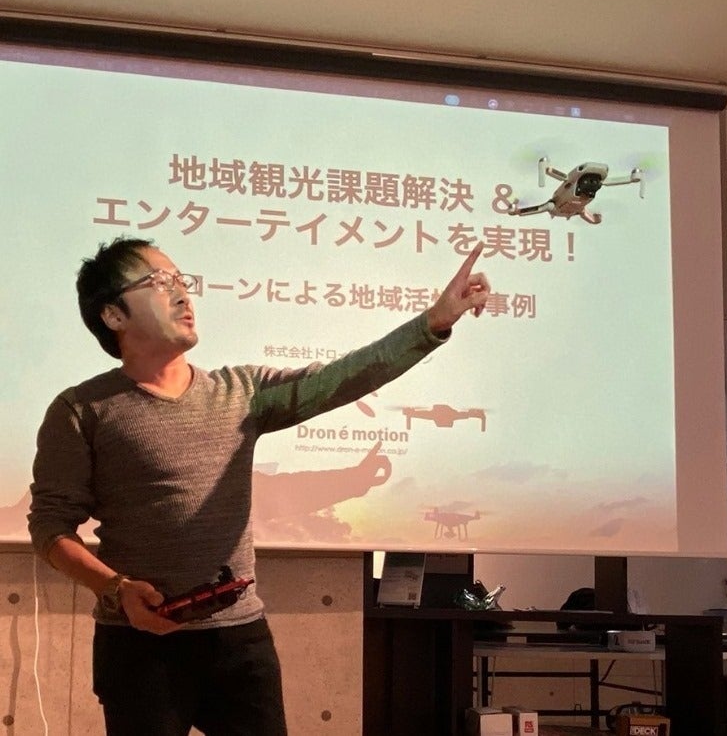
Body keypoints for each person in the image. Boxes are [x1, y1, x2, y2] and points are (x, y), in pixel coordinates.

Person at [28, 236, 490, 736]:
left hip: (239, 638)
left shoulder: (240, 392)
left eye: (182, 280)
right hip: (138, 646)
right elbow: (50, 527)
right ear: (113, 315)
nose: (183, 294)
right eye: (159, 282)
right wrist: (115, 589)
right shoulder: (82, 410)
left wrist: (433, 322)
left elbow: (346, 376)